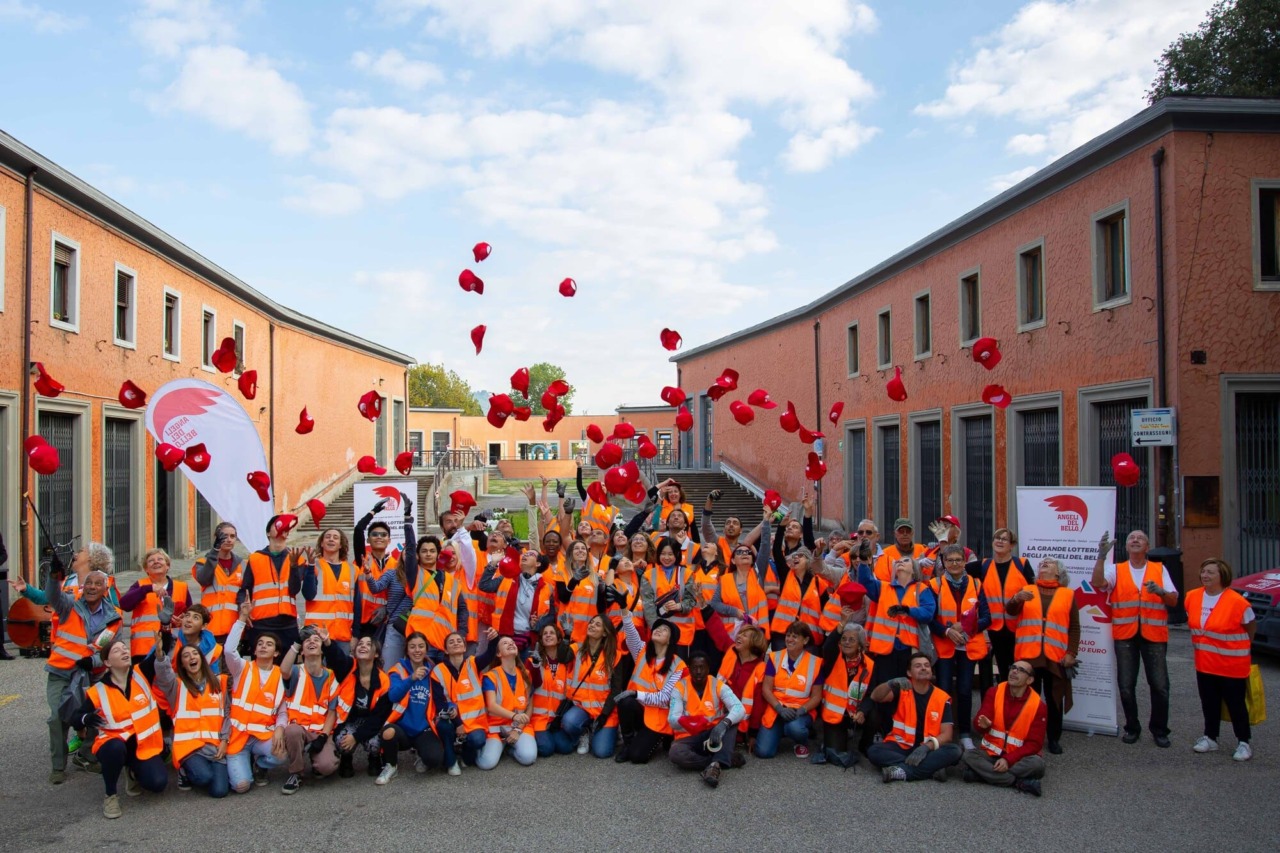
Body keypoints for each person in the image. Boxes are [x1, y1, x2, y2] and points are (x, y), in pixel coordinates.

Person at [42, 546, 122, 784]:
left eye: (97, 584)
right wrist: (53, 576)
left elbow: (110, 648)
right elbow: (52, 595)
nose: (91, 587)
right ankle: (58, 766)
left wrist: (94, 661)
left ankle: (86, 754)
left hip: (92, 675)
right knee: (57, 717)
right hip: (60, 672)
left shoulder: (114, 617)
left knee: (97, 715)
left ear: (105, 589)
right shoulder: (69, 606)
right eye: (88, 584)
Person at [1091, 530, 1176, 747]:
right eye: (1131, 538)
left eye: (1140, 538)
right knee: (1126, 685)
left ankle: (1159, 730)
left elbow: (1174, 600)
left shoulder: (1159, 569)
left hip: (1154, 635)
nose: (1135, 540)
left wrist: (1161, 592)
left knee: (1159, 685)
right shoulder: (1116, 569)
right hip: (1125, 635)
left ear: (1147, 547)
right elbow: (1097, 582)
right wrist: (1101, 556)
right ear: (1126, 547)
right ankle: (1132, 727)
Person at [70, 635, 169, 818]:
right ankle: (110, 795)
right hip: (113, 746)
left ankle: (132, 771)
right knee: (115, 748)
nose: (124, 651)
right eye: (117, 650)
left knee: (158, 783)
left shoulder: (141, 674)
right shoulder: (98, 691)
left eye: (125, 648)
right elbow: (75, 718)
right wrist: (86, 719)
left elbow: (162, 648)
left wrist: (165, 626)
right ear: (107, 662)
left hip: (143, 747)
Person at [1008, 557, 1079, 754]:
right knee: (1029, 698)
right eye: (1042, 563)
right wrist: (1016, 599)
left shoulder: (1068, 594)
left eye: (1049, 563)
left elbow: (1074, 627)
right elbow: (1011, 611)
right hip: (1028, 656)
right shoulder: (1027, 589)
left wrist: (1072, 652)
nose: (1044, 563)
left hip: (1055, 657)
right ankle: (1026, 736)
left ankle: (1054, 738)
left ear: (1059, 573)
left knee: (1055, 698)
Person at [1186, 558, 1255, 761]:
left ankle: (1243, 742)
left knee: (1236, 704)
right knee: (1209, 702)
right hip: (1205, 663)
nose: (1205, 576)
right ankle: (1210, 737)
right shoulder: (1192, 597)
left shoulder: (1238, 602)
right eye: (1203, 571)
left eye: (1210, 573)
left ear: (1222, 576)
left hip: (1232, 665)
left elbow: (1250, 625)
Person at [153, 629, 230, 798]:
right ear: (182, 664)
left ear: (201, 659)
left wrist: (225, 741)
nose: (191, 657)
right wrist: (160, 655)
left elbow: (226, 714)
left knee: (220, 791)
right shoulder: (176, 686)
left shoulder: (219, 682)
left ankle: (203, 769)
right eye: (186, 656)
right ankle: (185, 770)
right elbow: (164, 676)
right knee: (204, 777)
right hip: (189, 748)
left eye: (195, 653)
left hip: (215, 746)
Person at [930, 543, 991, 751]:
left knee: (965, 689)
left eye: (958, 560)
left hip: (968, 644)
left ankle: (964, 733)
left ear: (965, 562)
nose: (954, 563)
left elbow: (986, 617)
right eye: (950, 560)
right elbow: (930, 619)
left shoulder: (976, 584)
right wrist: (948, 631)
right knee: (944, 689)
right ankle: (942, 730)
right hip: (945, 644)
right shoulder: (934, 585)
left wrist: (966, 629)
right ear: (943, 563)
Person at [223, 602, 288, 793]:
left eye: (269, 644)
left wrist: (279, 729)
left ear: (276, 653)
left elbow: (283, 710)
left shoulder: (281, 675)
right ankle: (242, 767)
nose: (263, 646)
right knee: (241, 786)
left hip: (262, 737)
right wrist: (242, 619)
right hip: (237, 737)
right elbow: (228, 650)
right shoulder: (242, 668)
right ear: (254, 650)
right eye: (260, 644)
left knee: (281, 755)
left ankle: (260, 764)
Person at [867, 653, 962, 782]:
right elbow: (875, 697)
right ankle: (930, 769)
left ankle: (902, 771)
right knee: (874, 751)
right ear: (909, 673)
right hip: (901, 745)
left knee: (955, 750)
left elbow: (947, 734)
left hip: (928, 749)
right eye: (918, 666)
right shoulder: (901, 689)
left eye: (926, 666)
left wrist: (926, 747)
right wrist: (890, 683)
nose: (923, 668)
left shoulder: (941, 697)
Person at [963, 659, 1048, 796]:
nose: (1014, 671)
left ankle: (981, 775)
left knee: (1038, 765)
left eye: (1021, 670)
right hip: (991, 754)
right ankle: (1018, 782)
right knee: (968, 755)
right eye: (1013, 667)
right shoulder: (994, 692)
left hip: (1018, 758)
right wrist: (982, 726)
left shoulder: (1038, 706)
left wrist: (1008, 760)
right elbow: (979, 724)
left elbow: (1035, 744)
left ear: (1029, 680)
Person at [668, 650, 744, 787]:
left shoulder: (718, 685)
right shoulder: (679, 688)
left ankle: (716, 764)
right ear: (689, 669)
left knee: (732, 720)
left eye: (702, 667)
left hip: (714, 735)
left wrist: (723, 725)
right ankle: (718, 761)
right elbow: (672, 720)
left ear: (708, 669)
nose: (698, 671)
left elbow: (739, 708)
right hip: (689, 738)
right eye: (694, 668)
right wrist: (687, 722)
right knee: (675, 753)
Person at [241, 516, 315, 660]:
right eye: (278, 525)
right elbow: (245, 589)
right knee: (260, 669)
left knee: (286, 672)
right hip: (261, 623)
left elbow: (294, 590)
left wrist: (293, 566)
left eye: (286, 528)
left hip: (287, 624)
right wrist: (243, 612)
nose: (283, 529)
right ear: (268, 533)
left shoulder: (297, 558)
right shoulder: (255, 558)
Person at [614, 616, 685, 764]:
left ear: (670, 640)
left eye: (664, 630)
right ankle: (628, 743)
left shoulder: (678, 665)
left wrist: (636, 693)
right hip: (639, 709)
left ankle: (659, 737)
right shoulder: (642, 651)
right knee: (625, 702)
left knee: (638, 757)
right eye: (657, 627)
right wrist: (624, 610)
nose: (658, 630)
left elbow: (665, 698)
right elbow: (631, 634)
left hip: (658, 719)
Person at [278, 627, 341, 793]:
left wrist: (323, 737)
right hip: (298, 728)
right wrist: (296, 643)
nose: (312, 642)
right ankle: (296, 773)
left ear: (322, 650)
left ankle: (317, 763)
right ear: (302, 651)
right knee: (291, 731)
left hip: (320, 731)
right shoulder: (296, 671)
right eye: (307, 641)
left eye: (316, 640)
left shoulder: (331, 676)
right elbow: (283, 670)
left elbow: (332, 712)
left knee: (327, 767)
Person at [859, 555, 937, 685]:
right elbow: (865, 582)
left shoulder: (921, 589)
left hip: (910, 650)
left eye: (905, 560)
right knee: (885, 691)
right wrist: (863, 562)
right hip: (885, 652)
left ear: (914, 570)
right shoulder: (883, 587)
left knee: (908, 690)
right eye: (898, 561)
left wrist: (908, 610)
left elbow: (928, 613)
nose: (900, 562)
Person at [380, 631, 446, 783]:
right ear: (407, 650)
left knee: (435, 759)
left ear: (426, 649)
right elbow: (393, 696)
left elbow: (442, 696)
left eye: (421, 646)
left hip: (423, 727)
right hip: (401, 727)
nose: (417, 650)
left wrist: (450, 706)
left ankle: (421, 754)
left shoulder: (433, 671)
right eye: (413, 647)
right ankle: (391, 766)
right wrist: (412, 678)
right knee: (388, 732)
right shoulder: (399, 669)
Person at [363, 502, 422, 668]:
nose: (409, 555)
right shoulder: (391, 573)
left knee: (415, 669)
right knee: (390, 666)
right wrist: (368, 574)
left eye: (413, 553)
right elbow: (376, 588)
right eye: (406, 551)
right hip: (396, 626)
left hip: (418, 627)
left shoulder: (423, 576)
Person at [561, 612, 623, 759]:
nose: (592, 626)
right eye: (591, 622)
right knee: (568, 722)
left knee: (602, 752)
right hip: (582, 707)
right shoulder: (578, 648)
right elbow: (562, 657)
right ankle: (584, 732)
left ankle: (613, 731)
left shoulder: (615, 655)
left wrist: (604, 715)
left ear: (605, 633)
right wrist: (566, 636)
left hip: (604, 711)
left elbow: (616, 689)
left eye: (597, 624)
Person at [755, 621, 822, 758]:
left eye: (795, 636)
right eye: (788, 635)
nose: (789, 639)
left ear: (806, 640)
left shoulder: (815, 662)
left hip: (800, 711)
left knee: (795, 728)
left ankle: (801, 741)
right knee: (763, 752)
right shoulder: (775, 657)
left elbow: (817, 696)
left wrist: (802, 710)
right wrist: (779, 709)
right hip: (777, 709)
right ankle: (781, 730)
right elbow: (766, 689)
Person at [431, 630, 494, 774]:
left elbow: (490, 655)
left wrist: (494, 639)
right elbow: (440, 703)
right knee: (444, 727)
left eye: (459, 641)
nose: (456, 643)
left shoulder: (473, 663)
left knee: (477, 742)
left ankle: (463, 753)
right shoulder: (438, 671)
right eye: (451, 642)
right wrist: (458, 723)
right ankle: (451, 761)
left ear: (465, 647)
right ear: (446, 650)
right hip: (451, 720)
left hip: (473, 723)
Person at [979, 528, 1035, 687]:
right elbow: (955, 568)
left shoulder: (1022, 564)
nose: (1000, 541)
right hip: (993, 629)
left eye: (1004, 539)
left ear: (1012, 545)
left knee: (1020, 670)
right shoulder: (984, 565)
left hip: (1019, 628)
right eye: (997, 538)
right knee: (1003, 671)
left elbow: (1034, 592)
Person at [332, 634, 392, 777]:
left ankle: (374, 758)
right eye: (360, 644)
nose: (363, 646)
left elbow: (378, 718)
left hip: (372, 721)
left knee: (375, 742)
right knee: (342, 740)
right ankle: (346, 759)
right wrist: (327, 640)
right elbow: (335, 656)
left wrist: (356, 737)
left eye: (368, 644)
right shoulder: (348, 668)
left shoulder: (384, 680)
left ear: (376, 654)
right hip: (350, 720)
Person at [817, 620, 874, 768]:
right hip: (835, 715)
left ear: (860, 645)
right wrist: (840, 627)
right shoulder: (833, 657)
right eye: (844, 639)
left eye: (852, 640)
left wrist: (862, 712)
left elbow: (871, 695)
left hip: (856, 714)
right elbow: (828, 646)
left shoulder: (870, 665)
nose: (846, 643)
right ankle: (839, 737)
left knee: (875, 714)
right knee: (835, 752)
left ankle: (865, 744)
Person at [119, 547, 192, 660]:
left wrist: (183, 621)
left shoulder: (182, 587)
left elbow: (191, 614)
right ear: (146, 569)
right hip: (144, 648)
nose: (156, 562)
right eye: (151, 560)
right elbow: (124, 604)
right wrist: (148, 589)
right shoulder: (140, 586)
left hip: (174, 647)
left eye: (160, 559)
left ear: (167, 565)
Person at [477, 635, 537, 769]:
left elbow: (529, 707)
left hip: (519, 726)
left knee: (529, 757)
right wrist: (514, 716)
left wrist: (518, 729)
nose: (511, 644)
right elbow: (491, 707)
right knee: (486, 764)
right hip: (496, 728)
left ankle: (509, 749)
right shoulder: (491, 676)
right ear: (498, 653)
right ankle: (498, 747)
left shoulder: (525, 674)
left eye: (512, 642)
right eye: (505, 643)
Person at [717, 624, 767, 764]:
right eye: (740, 633)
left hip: (738, 722)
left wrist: (753, 734)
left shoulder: (760, 668)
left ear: (754, 643)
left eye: (745, 635)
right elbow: (717, 631)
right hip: (718, 713)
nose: (739, 636)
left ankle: (723, 759)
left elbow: (758, 705)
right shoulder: (731, 654)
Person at [639, 539, 698, 657]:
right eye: (663, 554)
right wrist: (657, 627)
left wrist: (680, 606)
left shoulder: (687, 573)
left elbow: (691, 600)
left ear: (677, 554)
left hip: (682, 632)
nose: (666, 557)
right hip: (659, 633)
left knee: (679, 670)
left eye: (670, 554)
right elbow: (648, 605)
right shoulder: (648, 575)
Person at [302, 528, 360, 648]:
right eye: (327, 537)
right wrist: (311, 567)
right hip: (316, 634)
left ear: (340, 545)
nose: (331, 539)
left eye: (335, 537)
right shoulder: (314, 565)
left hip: (343, 635)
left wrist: (356, 634)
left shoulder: (353, 570)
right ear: (322, 543)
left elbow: (358, 605)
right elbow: (308, 594)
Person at [352, 500, 400, 639]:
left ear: (389, 540)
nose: (379, 537)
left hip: (387, 621)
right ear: (368, 539)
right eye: (374, 534)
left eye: (383, 535)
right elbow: (358, 530)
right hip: (363, 621)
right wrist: (373, 512)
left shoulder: (397, 565)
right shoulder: (362, 559)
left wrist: (386, 608)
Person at [191, 522, 244, 643]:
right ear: (216, 538)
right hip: (211, 627)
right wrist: (214, 552)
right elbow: (204, 579)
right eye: (224, 536)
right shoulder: (202, 562)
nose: (229, 540)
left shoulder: (242, 565)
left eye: (232, 536)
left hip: (235, 629)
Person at [529, 623, 576, 757]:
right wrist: (535, 666)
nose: (548, 635)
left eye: (552, 633)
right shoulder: (533, 660)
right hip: (539, 719)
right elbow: (533, 683)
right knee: (547, 750)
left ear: (559, 639)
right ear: (541, 640)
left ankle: (546, 737)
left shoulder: (566, 664)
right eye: (545, 633)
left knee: (566, 748)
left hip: (556, 721)